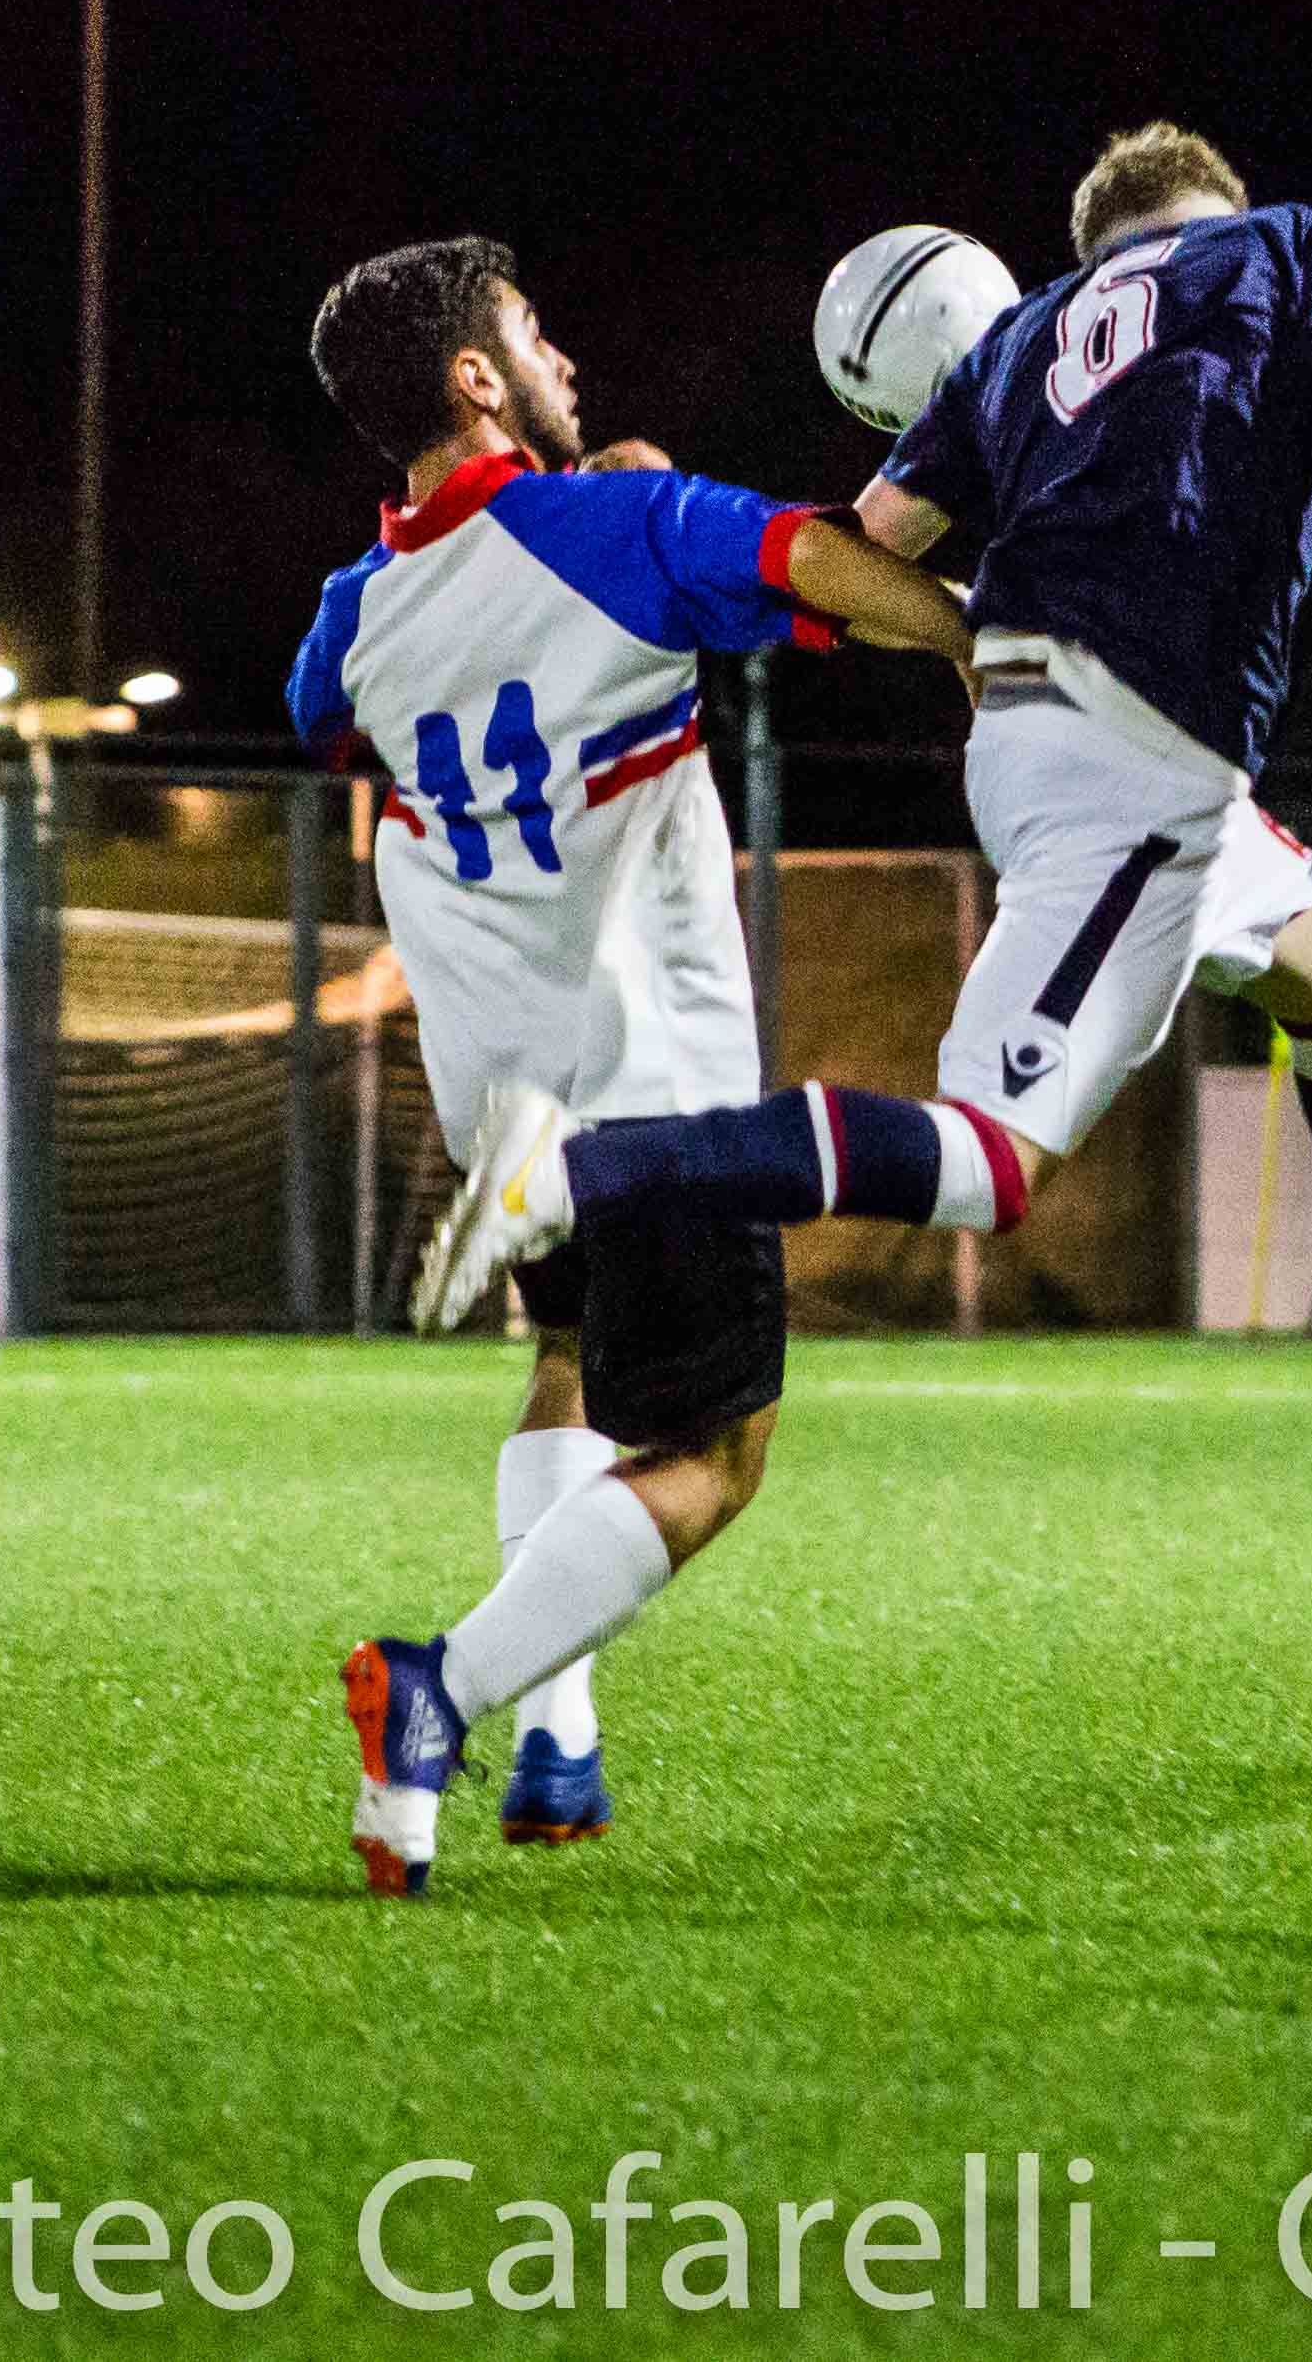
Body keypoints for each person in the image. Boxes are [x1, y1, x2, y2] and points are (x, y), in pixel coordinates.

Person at [415, 124, 1312, 1447]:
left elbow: (856, 556)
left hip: (1064, 733)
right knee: (991, 1161)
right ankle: (579, 1171)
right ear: (1215, 205)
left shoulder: (1020, 341)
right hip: (1130, 761)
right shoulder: (1290, 248)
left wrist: (662, 511)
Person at [293, 238, 973, 1896]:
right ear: (476, 378)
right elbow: (815, 559)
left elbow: (330, 712)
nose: (564, 358)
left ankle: (562, 1742)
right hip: (653, 1095)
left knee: (568, 1366)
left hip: (499, 1100)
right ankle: (446, 1689)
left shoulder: (351, 618)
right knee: (718, 1458)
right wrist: (974, 643)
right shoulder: (624, 531)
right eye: (533, 334)